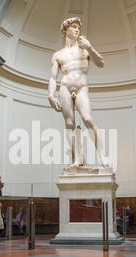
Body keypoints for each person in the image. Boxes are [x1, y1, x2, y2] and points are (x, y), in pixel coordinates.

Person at [48, 17, 110, 168]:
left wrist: (90, 47)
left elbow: (101, 63)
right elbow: (52, 77)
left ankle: (102, 156)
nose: (77, 30)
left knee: (87, 119)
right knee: (69, 124)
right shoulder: (58, 55)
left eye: (78, 28)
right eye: (74, 27)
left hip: (81, 87)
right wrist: (50, 95)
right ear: (65, 30)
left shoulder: (84, 49)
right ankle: (76, 159)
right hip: (65, 87)